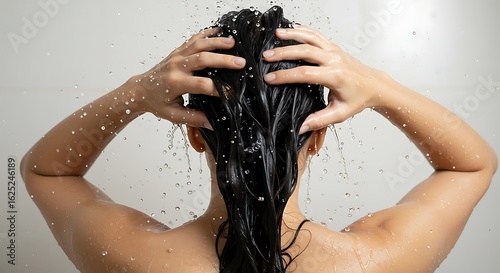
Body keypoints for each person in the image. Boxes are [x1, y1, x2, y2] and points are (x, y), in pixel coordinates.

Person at [20, 6, 496, 273]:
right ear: (318, 138)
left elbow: (45, 170)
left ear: (195, 135)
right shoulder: (375, 262)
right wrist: (378, 85)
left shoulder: (138, 260)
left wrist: (138, 91)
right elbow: (471, 164)